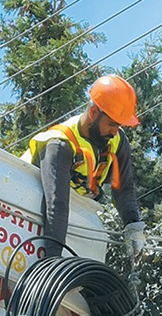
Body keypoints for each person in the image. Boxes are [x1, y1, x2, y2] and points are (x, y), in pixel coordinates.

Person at [21, 74, 146, 259]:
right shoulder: (60, 143)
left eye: (119, 126)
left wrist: (133, 225)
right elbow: (56, 204)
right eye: (112, 124)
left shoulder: (116, 141)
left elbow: (124, 189)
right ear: (94, 113)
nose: (115, 131)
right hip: (23, 212)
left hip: (69, 220)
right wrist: (51, 262)